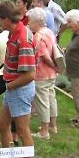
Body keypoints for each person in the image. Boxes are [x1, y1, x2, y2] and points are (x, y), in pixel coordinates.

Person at [0, 1, 36, 158]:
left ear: (6, 19)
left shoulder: (22, 38)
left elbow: (30, 74)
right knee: (2, 124)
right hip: (13, 87)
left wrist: (11, 85)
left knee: (23, 130)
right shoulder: (13, 34)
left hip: (20, 90)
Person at [27, 8, 58, 139]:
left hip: (42, 73)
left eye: (30, 21)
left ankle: (44, 131)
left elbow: (44, 55)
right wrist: (55, 68)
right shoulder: (49, 32)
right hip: (51, 74)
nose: (28, 24)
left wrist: (54, 66)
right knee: (51, 98)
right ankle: (53, 125)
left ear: (37, 22)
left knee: (42, 101)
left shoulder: (38, 36)